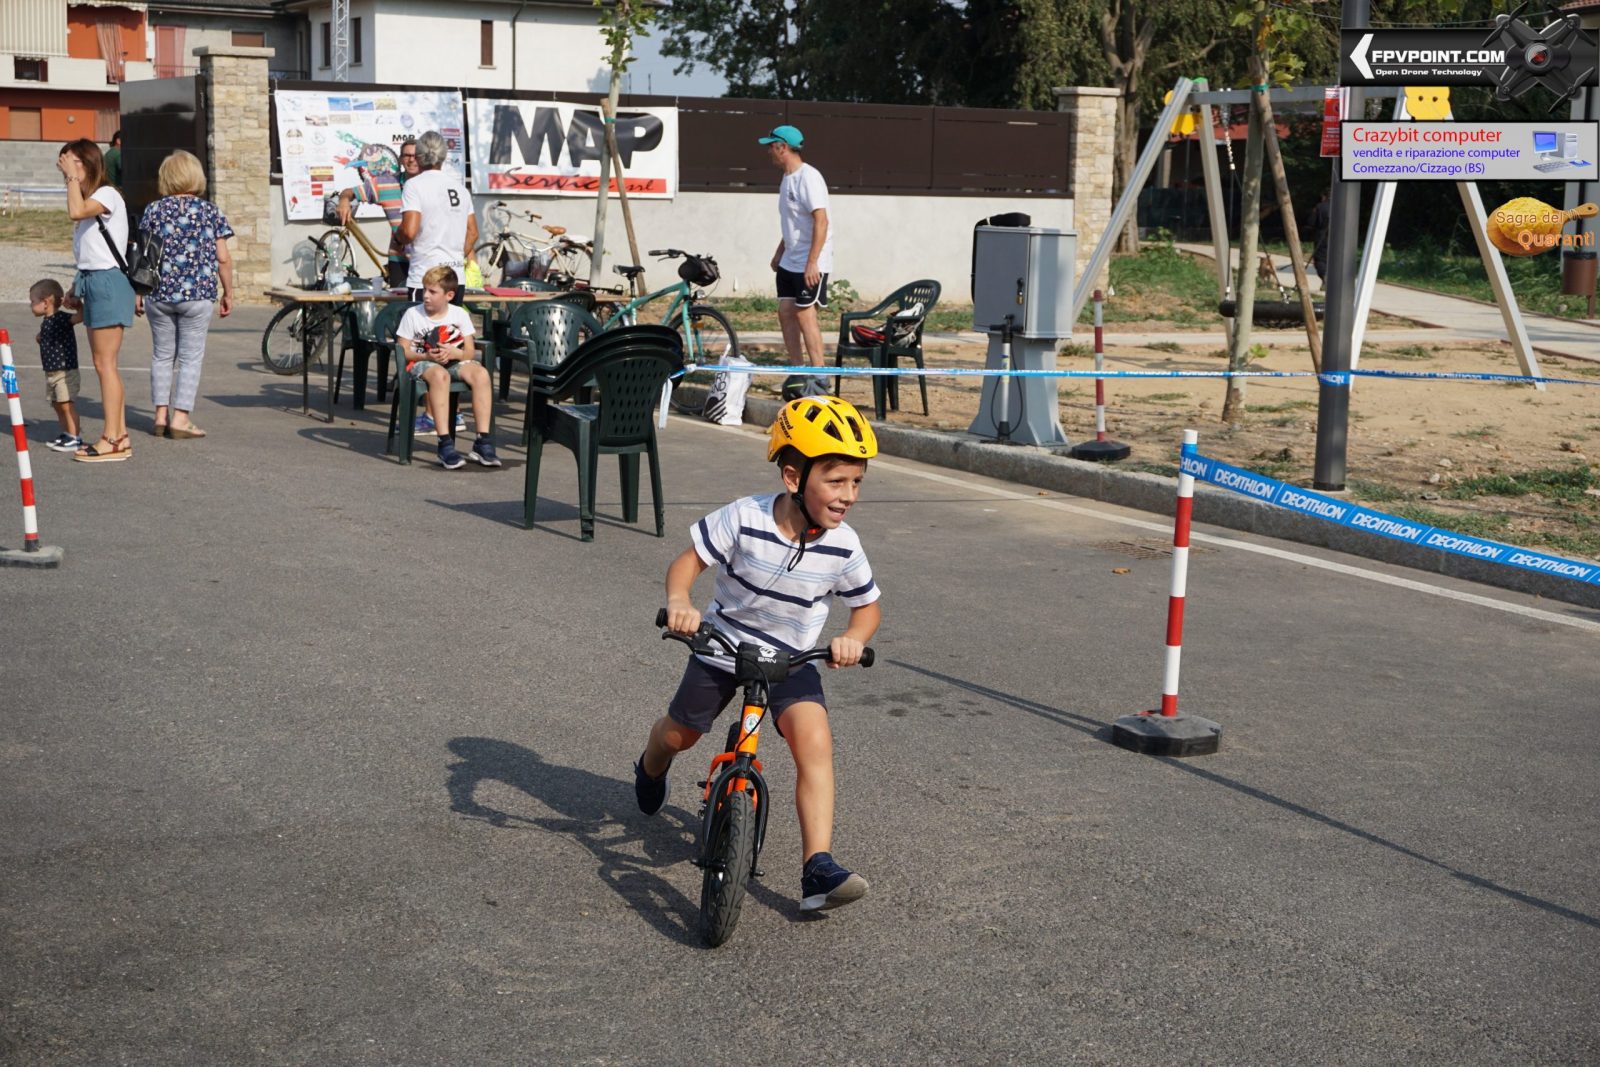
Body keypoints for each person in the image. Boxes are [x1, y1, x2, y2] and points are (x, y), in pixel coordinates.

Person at [636, 394, 881, 912]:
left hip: (792, 661)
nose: (848, 496)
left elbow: (867, 608)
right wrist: (680, 602)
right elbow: (687, 564)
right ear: (793, 477)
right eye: (836, 481)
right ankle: (651, 766)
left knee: (814, 743)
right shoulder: (745, 517)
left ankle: (818, 867)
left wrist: (855, 637)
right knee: (681, 734)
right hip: (723, 646)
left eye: (857, 482)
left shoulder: (844, 545)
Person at [136, 149, 235, 439]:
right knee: (190, 357)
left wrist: (138, 292)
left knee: (162, 355)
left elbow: (144, 255)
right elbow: (223, 258)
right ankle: (180, 418)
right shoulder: (210, 211)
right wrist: (228, 292)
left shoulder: (153, 210)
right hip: (197, 294)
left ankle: (160, 415)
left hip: (159, 294)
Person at [58, 137, 134, 463]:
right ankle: (119, 435)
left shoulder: (106, 194)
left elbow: (75, 211)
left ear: (87, 164)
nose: (65, 171)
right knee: (104, 364)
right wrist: (76, 288)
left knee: (105, 365)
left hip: (107, 283)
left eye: (70, 163)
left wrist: (72, 178)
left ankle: (112, 439)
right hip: (95, 281)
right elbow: (91, 254)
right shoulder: (93, 199)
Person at [395, 265, 500, 471]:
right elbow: (403, 350)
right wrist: (426, 356)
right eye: (424, 290)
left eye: (432, 292)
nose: (425, 295)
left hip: (453, 361)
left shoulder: (459, 314)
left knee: (481, 374)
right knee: (440, 375)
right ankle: (444, 443)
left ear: (449, 295)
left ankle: (482, 441)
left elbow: (469, 352)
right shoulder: (413, 314)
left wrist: (455, 353)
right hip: (421, 362)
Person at [761, 124, 834, 394]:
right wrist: (780, 251)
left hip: (810, 260)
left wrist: (812, 262)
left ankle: (821, 377)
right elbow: (793, 222)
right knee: (785, 312)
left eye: (771, 146)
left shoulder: (809, 177)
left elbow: (821, 221)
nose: (769, 151)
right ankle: (798, 372)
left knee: (805, 314)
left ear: (783, 147)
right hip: (790, 259)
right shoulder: (786, 178)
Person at [397, 131, 477, 306]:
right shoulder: (460, 188)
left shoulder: (414, 185)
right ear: (444, 156)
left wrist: (398, 237)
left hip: (425, 278)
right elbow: (472, 233)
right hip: (454, 278)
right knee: (450, 324)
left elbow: (409, 232)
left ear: (418, 156)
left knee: (420, 324)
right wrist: (454, 257)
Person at [335, 136, 419, 287]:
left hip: (426, 258)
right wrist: (344, 201)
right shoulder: (386, 183)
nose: (412, 159)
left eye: (416, 155)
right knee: (399, 301)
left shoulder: (432, 185)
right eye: (407, 155)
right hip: (399, 260)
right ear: (400, 160)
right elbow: (349, 192)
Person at [29, 279, 84, 453]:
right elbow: (50, 334)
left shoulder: (61, 318)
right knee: (57, 404)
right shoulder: (47, 321)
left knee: (66, 404)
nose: (31, 306)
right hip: (52, 372)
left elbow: (80, 318)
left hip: (65, 371)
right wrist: (41, 337)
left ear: (45, 302)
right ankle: (67, 434)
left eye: (32, 302)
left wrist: (79, 307)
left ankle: (75, 438)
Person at [1309, 190, 1332, 283]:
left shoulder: (1319, 207)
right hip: (1339, 238)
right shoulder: (1342, 206)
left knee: (1320, 259)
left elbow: (1311, 222)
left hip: (1322, 237)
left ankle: (1324, 275)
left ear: (1324, 196)